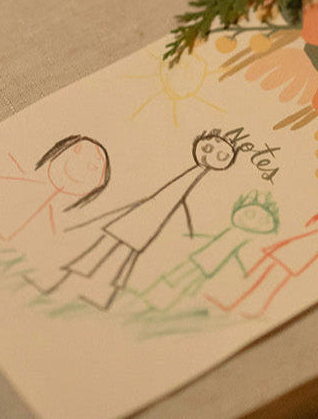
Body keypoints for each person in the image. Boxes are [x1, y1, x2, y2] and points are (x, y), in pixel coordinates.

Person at [25, 129, 240, 310]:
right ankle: (75, 289)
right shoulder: (184, 173)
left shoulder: (193, 179)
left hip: (146, 225)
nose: (210, 155)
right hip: (140, 220)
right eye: (209, 147)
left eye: (221, 156)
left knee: (113, 258)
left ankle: (89, 293)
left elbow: (176, 201)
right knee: (104, 254)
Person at [208, 202, 318, 318]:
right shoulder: (313, 228)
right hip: (281, 254)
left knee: (269, 283)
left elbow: (317, 254)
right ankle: (230, 300)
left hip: (292, 262)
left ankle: (252, 308)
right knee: (253, 276)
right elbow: (293, 240)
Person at [140, 190, 280, 312]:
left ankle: (162, 303)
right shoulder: (232, 232)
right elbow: (218, 243)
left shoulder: (243, 238)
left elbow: (234, 253)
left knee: (187, 283)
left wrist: (241, 266)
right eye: (250, 214)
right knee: (178, 277)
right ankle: (153, 297)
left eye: (264, 220)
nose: (254, 222)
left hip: (210, 266)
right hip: (202, 260)